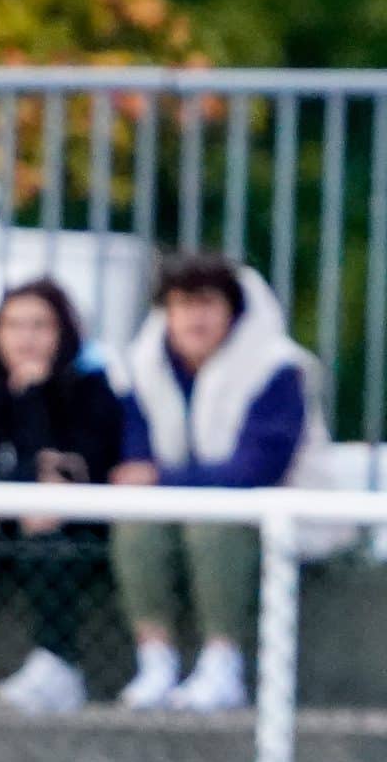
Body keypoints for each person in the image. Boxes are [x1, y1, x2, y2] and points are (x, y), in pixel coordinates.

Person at [110, 253, 328, 712]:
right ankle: (156, 662)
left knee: (213, 526)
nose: (195, 317)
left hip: (275, 514)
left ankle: (222, 665)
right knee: (136, 526)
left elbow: (255, 471)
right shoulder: (141, 366)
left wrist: (163, 481)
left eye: (208, 303)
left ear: (233, 311)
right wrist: (158, 482)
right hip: (180, 510)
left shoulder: (277, 369)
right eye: (183, 304)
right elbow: (133, 458)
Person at [0, 281, 125, 712]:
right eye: (13, 325)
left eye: (40, 325)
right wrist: (17, 479)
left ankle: (57, 662)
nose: (26, 338)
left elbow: (69, 468)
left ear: (64, 332)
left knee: (43, 509)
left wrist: (33, 398)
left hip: (75, 532)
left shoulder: (91, 388)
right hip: (2, 523)